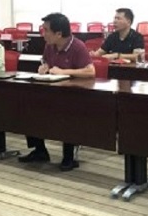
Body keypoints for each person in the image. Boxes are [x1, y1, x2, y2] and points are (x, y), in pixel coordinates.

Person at [18, 12, 95, 171]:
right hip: (53, 91)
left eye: (46, 30)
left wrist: (64, 71)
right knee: (28, 107)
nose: (43, 34)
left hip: (75, 95)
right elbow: (46, 62)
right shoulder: (49, 45)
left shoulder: (78, 46)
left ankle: (69, 157)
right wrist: (44, 67)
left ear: (58, 34)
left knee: (66, 113)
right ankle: (40, 150)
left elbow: (90, 72)